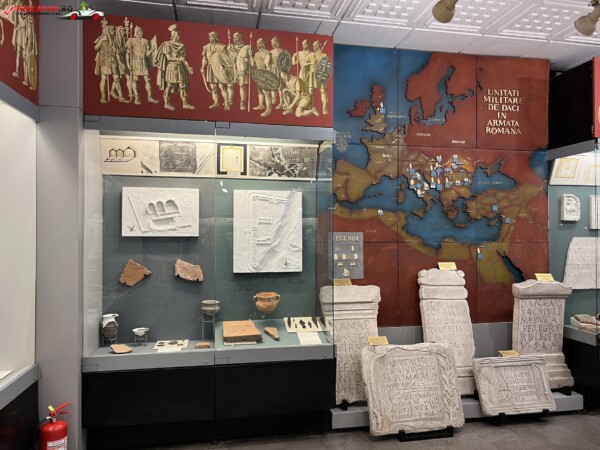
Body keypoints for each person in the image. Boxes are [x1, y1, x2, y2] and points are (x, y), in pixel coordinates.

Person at [155, 24, 194, 111]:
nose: (178, 36)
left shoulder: (181, 45)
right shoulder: (167, 44)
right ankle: (166, 103)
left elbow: (184, 58)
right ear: (173, 35)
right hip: (171, 66)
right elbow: (168, 58)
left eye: (179, 35)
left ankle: (185, 103)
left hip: (180, 67)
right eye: (176, 35)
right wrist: (179, 59)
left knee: (182, 85)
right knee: (170, 85)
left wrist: (188, 67)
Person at [126, 25, 159, 105]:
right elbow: (127, 53)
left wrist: (151, 50)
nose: (142, 33)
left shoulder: (145, 41)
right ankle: (137, 97)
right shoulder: (131, 40)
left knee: (147, 79)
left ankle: (149, 97)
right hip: (135, 62)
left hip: (144, 62)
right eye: (140, 32)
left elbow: (147, 55)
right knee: (135, 80)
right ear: (137, 32)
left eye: (142, 32)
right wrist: (128, 64)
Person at [94, 25, 127, 103]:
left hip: (113, 61)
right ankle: (103, 96)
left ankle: (121, 96)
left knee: (117, 78)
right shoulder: (102, 38)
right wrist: (101, 41)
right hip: (104, 61)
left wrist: (120, 63)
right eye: (111, 30)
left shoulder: (115, 40)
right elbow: (96, 48)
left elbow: (117, 53)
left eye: (114, 30)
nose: (113, 31)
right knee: (104, 78)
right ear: (108, 31)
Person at [12, 0, 37, 89]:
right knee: (20, 55)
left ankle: (25, 78)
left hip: (23, 37)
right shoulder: (22, 13)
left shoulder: (26, 16)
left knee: (24, 58)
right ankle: (18, 72)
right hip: (21, 36)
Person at [201, 31, 229, 110]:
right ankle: (216, 103)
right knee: (213, 87)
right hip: (210, 68)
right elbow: (204, 59)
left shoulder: (221, 47)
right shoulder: (206, 47)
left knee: (222, 87)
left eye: (211, 36)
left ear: (215, 37)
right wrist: (202, 68)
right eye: (209, 37)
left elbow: (226, 60)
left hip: (219, 68)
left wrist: (225, 70)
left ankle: (226, 103)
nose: (210, 38)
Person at [226, 32, 248, 111]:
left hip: (241, 68)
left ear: (240, 37)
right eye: (234, 37)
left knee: (242, 86)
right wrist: (228, 53)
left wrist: (247, 59)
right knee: (230, 85)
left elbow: (249, 59)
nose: (235, 38)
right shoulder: (230, 47)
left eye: (236, 36)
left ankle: (242, 103)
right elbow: (225, 58)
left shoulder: (244, 48)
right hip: (232, 68)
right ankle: (230, 100)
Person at [252, 37, 272, 117]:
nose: (257, 44)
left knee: (266, 93)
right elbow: (253, 64)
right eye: (257, 43)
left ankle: (268, 110)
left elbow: (267, 65)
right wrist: (250, 56)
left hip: (265, 75)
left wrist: (268, 76)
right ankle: (261, 105)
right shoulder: (256, 54)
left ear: (263, 44)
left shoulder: (267, 53)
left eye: (259, 43)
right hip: (258, 74)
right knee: (260, 91)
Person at [308, 40, 328, 115]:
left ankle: (324, 107)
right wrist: (311, 63)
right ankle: (310, 107)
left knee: (323, 91)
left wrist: (320, 65)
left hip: (320, 75)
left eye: (314, 46)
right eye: (313, 46)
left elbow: (327, 67)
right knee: (310, 91)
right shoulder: (310, 55)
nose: (313, 47)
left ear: (318, 46)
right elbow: (304, 64)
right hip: (312, 74)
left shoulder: (324, 56)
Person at [269, 36, 284, 109]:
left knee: (280, 86)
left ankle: (281, 102)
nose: (271, 43)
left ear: (276, 42)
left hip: (279, 70)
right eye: (271, 42)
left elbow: (284, 62)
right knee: (272, 85)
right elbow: (268, 62)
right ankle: (273, 100)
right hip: (272, 69)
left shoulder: (282, 51)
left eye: (272, 42)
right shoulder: (270, 52)